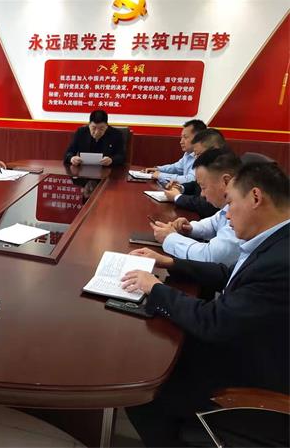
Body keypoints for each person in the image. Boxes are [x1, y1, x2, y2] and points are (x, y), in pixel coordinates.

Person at [121, 161, 290, 447]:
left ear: (255, 198)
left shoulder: (281, 262)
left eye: (230, 203)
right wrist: (170, 262)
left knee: (143, 390)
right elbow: (229, 274)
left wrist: (155, 288)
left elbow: (213, 321)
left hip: (253, 379)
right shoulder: (276, 241)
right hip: (250, 341)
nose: (226, 215)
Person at [151, 149, 242, 266]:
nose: (202, 194)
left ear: (226, 181)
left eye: (203, 187)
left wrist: (169, 238)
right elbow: (213, 223)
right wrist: (189, 228)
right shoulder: (230, 206)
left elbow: (210, 257)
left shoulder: (243, 212)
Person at [163, 128, 226, 218]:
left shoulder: (223, 168)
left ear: (214, 149)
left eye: (198, 154)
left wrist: (177, 197)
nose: (195, 159)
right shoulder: (209, 165)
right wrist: (180, 187)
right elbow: (196, 185)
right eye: (195, 155)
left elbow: (208, 206)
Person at [144, 119, 207, 185]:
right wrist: (158, 169)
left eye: (185, 137)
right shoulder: (188, 153)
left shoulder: (203, 156)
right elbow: (175, 168)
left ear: (198, 138)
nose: (181, 142)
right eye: (181, 137)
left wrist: (160, 175)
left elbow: (190, 179)